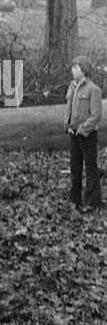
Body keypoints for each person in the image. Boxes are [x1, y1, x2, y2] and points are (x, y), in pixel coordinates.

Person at [65, 56, 102, 212]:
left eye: (76, 67)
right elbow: (69, 108)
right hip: (73, 133)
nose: (73, 70)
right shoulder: (72, 87)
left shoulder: (93, 90)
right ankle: (75, 198)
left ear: (84, 70)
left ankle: (92, 200)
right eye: (73, 67)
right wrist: (67, 125)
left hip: (87, 135)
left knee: (90, 167)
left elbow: (96, 115)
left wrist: (82, 129)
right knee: (75, 166)